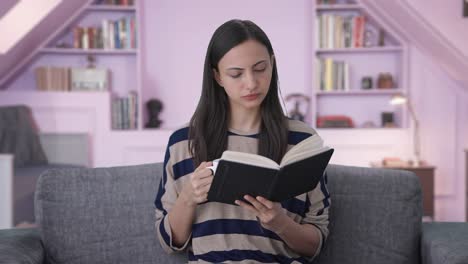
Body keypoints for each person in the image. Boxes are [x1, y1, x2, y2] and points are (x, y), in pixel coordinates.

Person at [154, 19, 330, 263]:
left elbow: (316, 244)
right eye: (236, 74)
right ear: (217, 76)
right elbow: (169, 242)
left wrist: (281, 224)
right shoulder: (184, 142)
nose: (251, 83)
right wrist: (188, 197)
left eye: (260, 69)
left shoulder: (303, 140)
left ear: (272, 64)